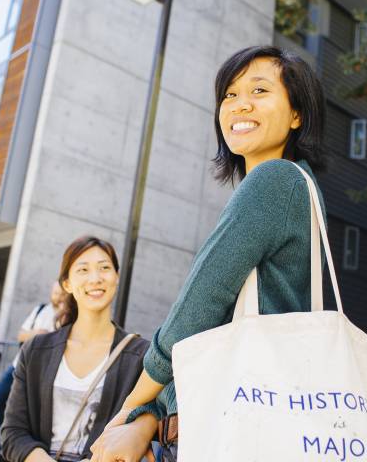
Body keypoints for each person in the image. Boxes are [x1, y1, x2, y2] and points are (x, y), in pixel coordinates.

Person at [90, 45, 328, 461]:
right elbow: (210, 328)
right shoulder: (298, 188)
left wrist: (128, 410)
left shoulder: (275, 182)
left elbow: (196, 311)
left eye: (259, 91)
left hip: (232, 428)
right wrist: (149, 415)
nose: (240, 106)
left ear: (297, 115)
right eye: (230, 95)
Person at [1, 236, 149, 462]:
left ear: (116, 277)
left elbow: (149, 418)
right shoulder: (36, 351)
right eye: (83, 270)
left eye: (104, 268)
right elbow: (13, 433)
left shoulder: (140, 355)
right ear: (67, 283)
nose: (95, 278)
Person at [0, 281, 65, 427]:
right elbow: (21, 335)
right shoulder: (41, 310)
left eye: (62, 294)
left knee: (31, 415)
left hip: (44, 373)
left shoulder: (68, 316)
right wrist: (38, 334)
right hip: (20, 365)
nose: (59, 297)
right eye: (56, 293)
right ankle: (12, 439)